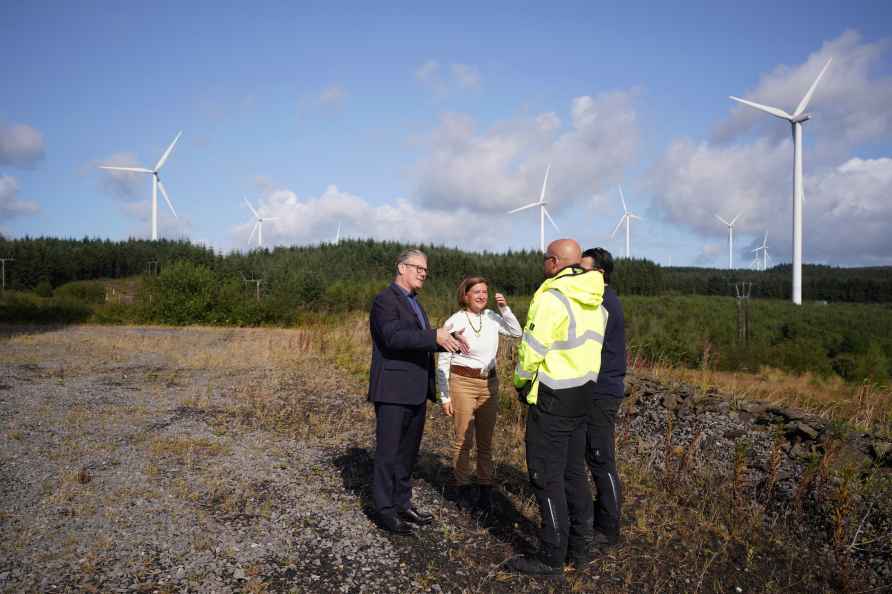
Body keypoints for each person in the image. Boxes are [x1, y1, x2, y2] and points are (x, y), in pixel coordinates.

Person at [508, 239, 608, 576]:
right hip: (583, 398)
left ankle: (551, 557)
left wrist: (521, 383)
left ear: (554, 262)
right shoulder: (597, 299)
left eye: (544, 260)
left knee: (545, 477)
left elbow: (532, 350)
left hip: (551, 399)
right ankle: (579, 551)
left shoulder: (552, 297)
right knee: (573, 475)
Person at [368, 248, 469, 535]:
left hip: (415, 390)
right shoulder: (385, 300)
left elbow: (420, 340)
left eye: (426, 269)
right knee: (389, 452)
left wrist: (446, 340)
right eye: (418, 268)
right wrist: (432, 335)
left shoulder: (415, 303)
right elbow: (393, 337)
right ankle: (384, 510)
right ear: (401, 268)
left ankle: (402, 502)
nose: (423, 273)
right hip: (392, 390)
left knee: (407, 453)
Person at [436, 276, 522, 514]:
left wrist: (504, 308)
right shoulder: (455, 320)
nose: (482, 296)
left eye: (485, 291)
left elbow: (516, 331)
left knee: (485, 441)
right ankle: (462, 486)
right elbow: (443, 359)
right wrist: (444, 396)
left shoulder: (492, 317)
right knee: (463, 439)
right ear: (465, 295)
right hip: (462, 382)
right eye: (476, 292)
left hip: (489, 384)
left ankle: (485, 488)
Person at [580, 248, 627, 548]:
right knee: (595, 455)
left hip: (602, 391)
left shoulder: (604, 303)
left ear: (599, 273)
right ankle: (602, 516)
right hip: (598, 389)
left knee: (600, 458)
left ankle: (609, 527)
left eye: (583, 270)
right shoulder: (602, 301)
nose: (578, 276)